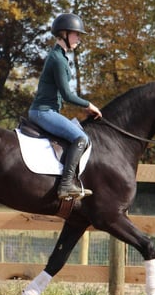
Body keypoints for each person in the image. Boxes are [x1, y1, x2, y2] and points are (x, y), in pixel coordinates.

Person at [29, 13, 102, 199]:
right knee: (80, 138)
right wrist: (88, 105)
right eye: (76, 34)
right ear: (64, 34)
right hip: (44, 112)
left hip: (47, 111)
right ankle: (66, 185)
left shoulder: (60, 56)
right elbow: (68, 95)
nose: (79, 38)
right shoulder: (58, 60)